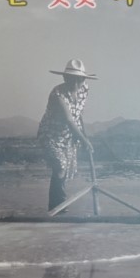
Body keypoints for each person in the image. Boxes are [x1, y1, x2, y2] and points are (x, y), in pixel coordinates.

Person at [37, 58, 97, 212]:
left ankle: (58, 206)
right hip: (51, 135)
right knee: (60, 166)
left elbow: (79, 114)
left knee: (65, 171)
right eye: (72, 80)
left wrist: (84, 135)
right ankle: (57, 206)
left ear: (83, 80)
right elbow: (69, 119)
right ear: (65, 78)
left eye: (79, 80)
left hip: (69, 137)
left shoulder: (84, 89)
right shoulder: (57, 94)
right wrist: (84, 140)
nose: (76, 84)